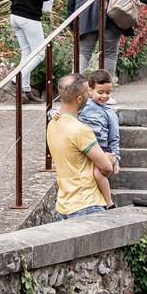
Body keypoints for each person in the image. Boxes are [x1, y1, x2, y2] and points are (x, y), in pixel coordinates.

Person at [48, 74, 116, 219]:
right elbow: (106, 167)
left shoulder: (52, 125)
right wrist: (109, 158)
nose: (89, 95)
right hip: (87, 204)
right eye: (87, 93)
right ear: (79, 99)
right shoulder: (80, 130)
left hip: (64, 206)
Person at [77, 69, 121, 210]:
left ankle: (109, 202)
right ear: (90, 90)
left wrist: (117, 160)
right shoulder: (82, 106)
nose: (104, 96)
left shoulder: (110, 113)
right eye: (100, 92)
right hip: (87, 148)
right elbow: (66, 112)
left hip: (104, 151)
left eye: (108, 93)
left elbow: (114, 138)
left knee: (97, 172)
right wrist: (52, 112)